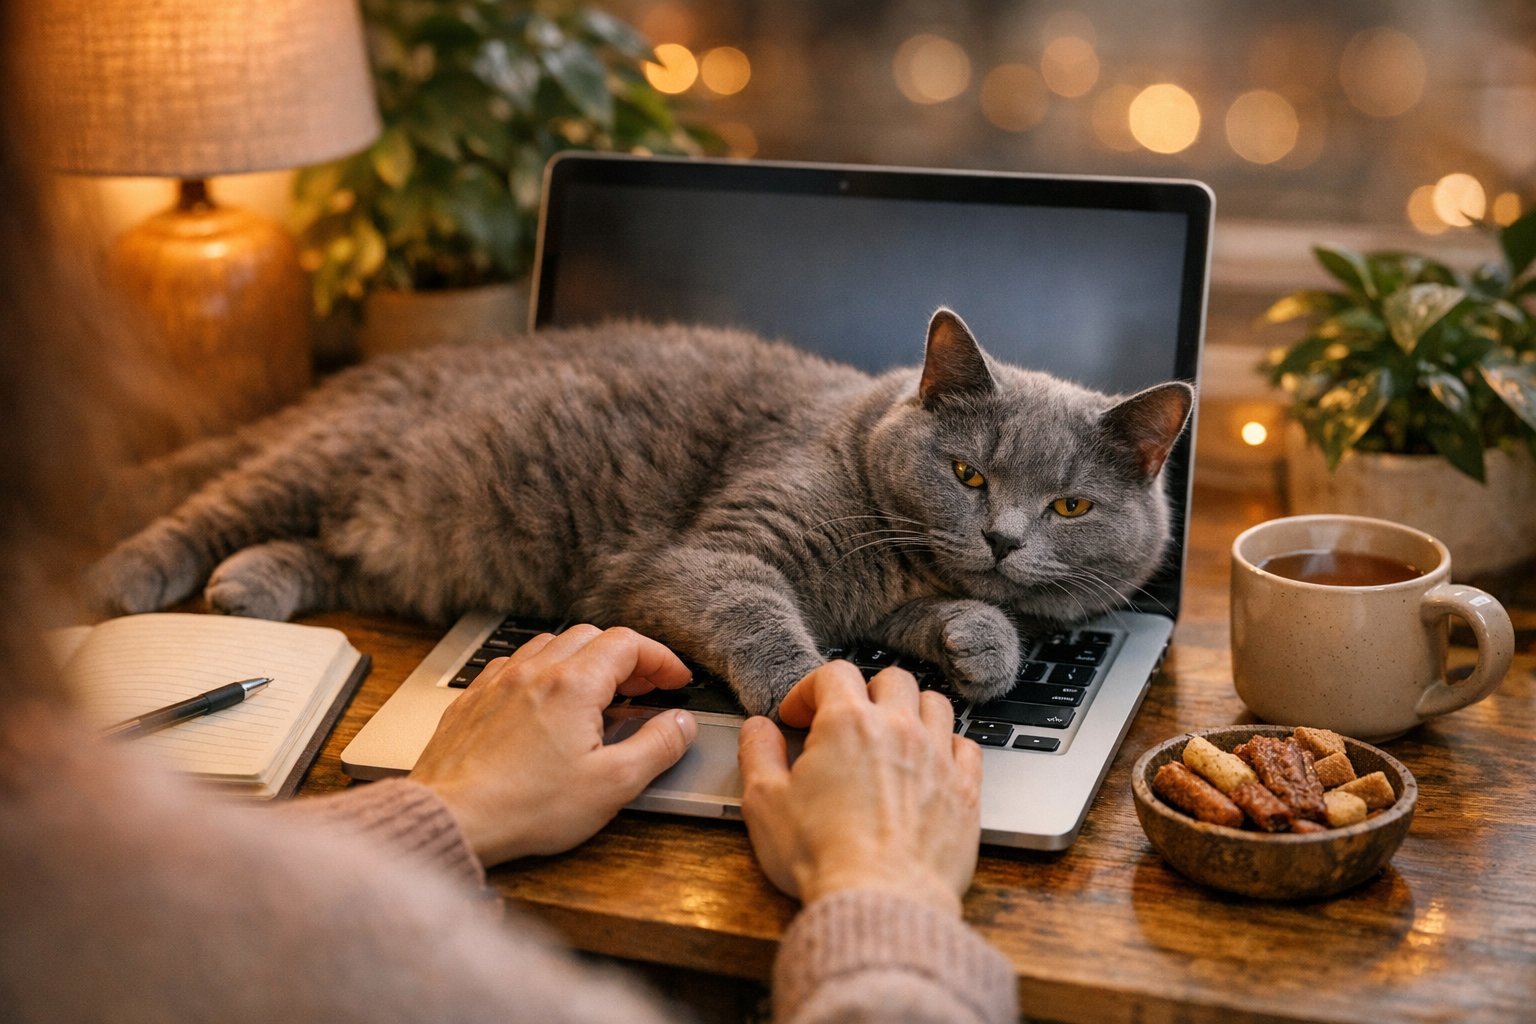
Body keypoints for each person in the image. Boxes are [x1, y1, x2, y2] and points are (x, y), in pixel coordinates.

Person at [0, 7, 1016, 1023]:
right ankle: (212, 534)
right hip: (518, 475)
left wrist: (442, 811)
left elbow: (214, 922)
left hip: (500, 602)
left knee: (394, 535)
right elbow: (714, 569)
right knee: (326, 461)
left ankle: (315, 563)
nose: (1006, 534)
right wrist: (889, 885)